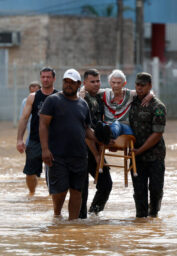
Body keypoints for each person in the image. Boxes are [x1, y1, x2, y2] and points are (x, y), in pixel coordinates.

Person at [39, 68, 98, 220]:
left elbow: (86, 129)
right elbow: (43, 125)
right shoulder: (52, 100)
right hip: (57, 155)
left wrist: (101, 140)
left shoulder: (83, 104)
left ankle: (73, 223)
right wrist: (45, 149)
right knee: (60, 190)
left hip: (79, 155)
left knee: (77, 190)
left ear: (79, 84)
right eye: (66, 82)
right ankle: (57, 215)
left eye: (72, 83)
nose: (68, 85)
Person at [129, 72, 166, 218]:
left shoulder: (158, 106)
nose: (139, 88)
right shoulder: (131, 103)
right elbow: (114, 93)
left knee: (156, 190)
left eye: (143, 86)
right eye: (137, 85)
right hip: (136, 156)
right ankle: (141, 222)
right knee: (139, 192)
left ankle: (154, 214)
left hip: (154, 155)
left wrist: (140, 150)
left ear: (150, 86)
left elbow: (157, 134)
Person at [16, 67, 57, 195]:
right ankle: (32, 194)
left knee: (56, 172)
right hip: (35, 140)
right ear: (41, 78)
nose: (45, 79)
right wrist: (19, 139)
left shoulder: (59, 96)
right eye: (43, 77)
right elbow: (24, 118)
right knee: (30, 173)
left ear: (53, 79)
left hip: (55, 141)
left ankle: (53, 198)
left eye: (48, 77)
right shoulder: (33, 97)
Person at [79, 69, 112, 219]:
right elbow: (85, 132)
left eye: (98, 81)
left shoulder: (98, 98)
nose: (96, 84)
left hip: (96, 147)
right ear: (84, 83)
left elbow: (122, 90)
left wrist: (151, 94)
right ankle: (79, 221)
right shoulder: (82, 99)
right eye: (92, 81)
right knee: (81, 189)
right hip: (82, 150)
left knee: (106, 183)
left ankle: (93, 214)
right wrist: (97, 155)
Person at [92, 69, 152, 144]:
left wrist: (150, 95)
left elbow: (145, 91)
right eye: (113, 82)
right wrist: (82, 91)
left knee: (116, 123)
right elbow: (88, 88)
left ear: (124, 83)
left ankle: (109, 135)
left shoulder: (130, 94)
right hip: (108, 125)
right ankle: (106, 134)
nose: (116, 85)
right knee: (101, 125)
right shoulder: (105, 93)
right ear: (110, 83)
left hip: (125, 129)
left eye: (118, 83)